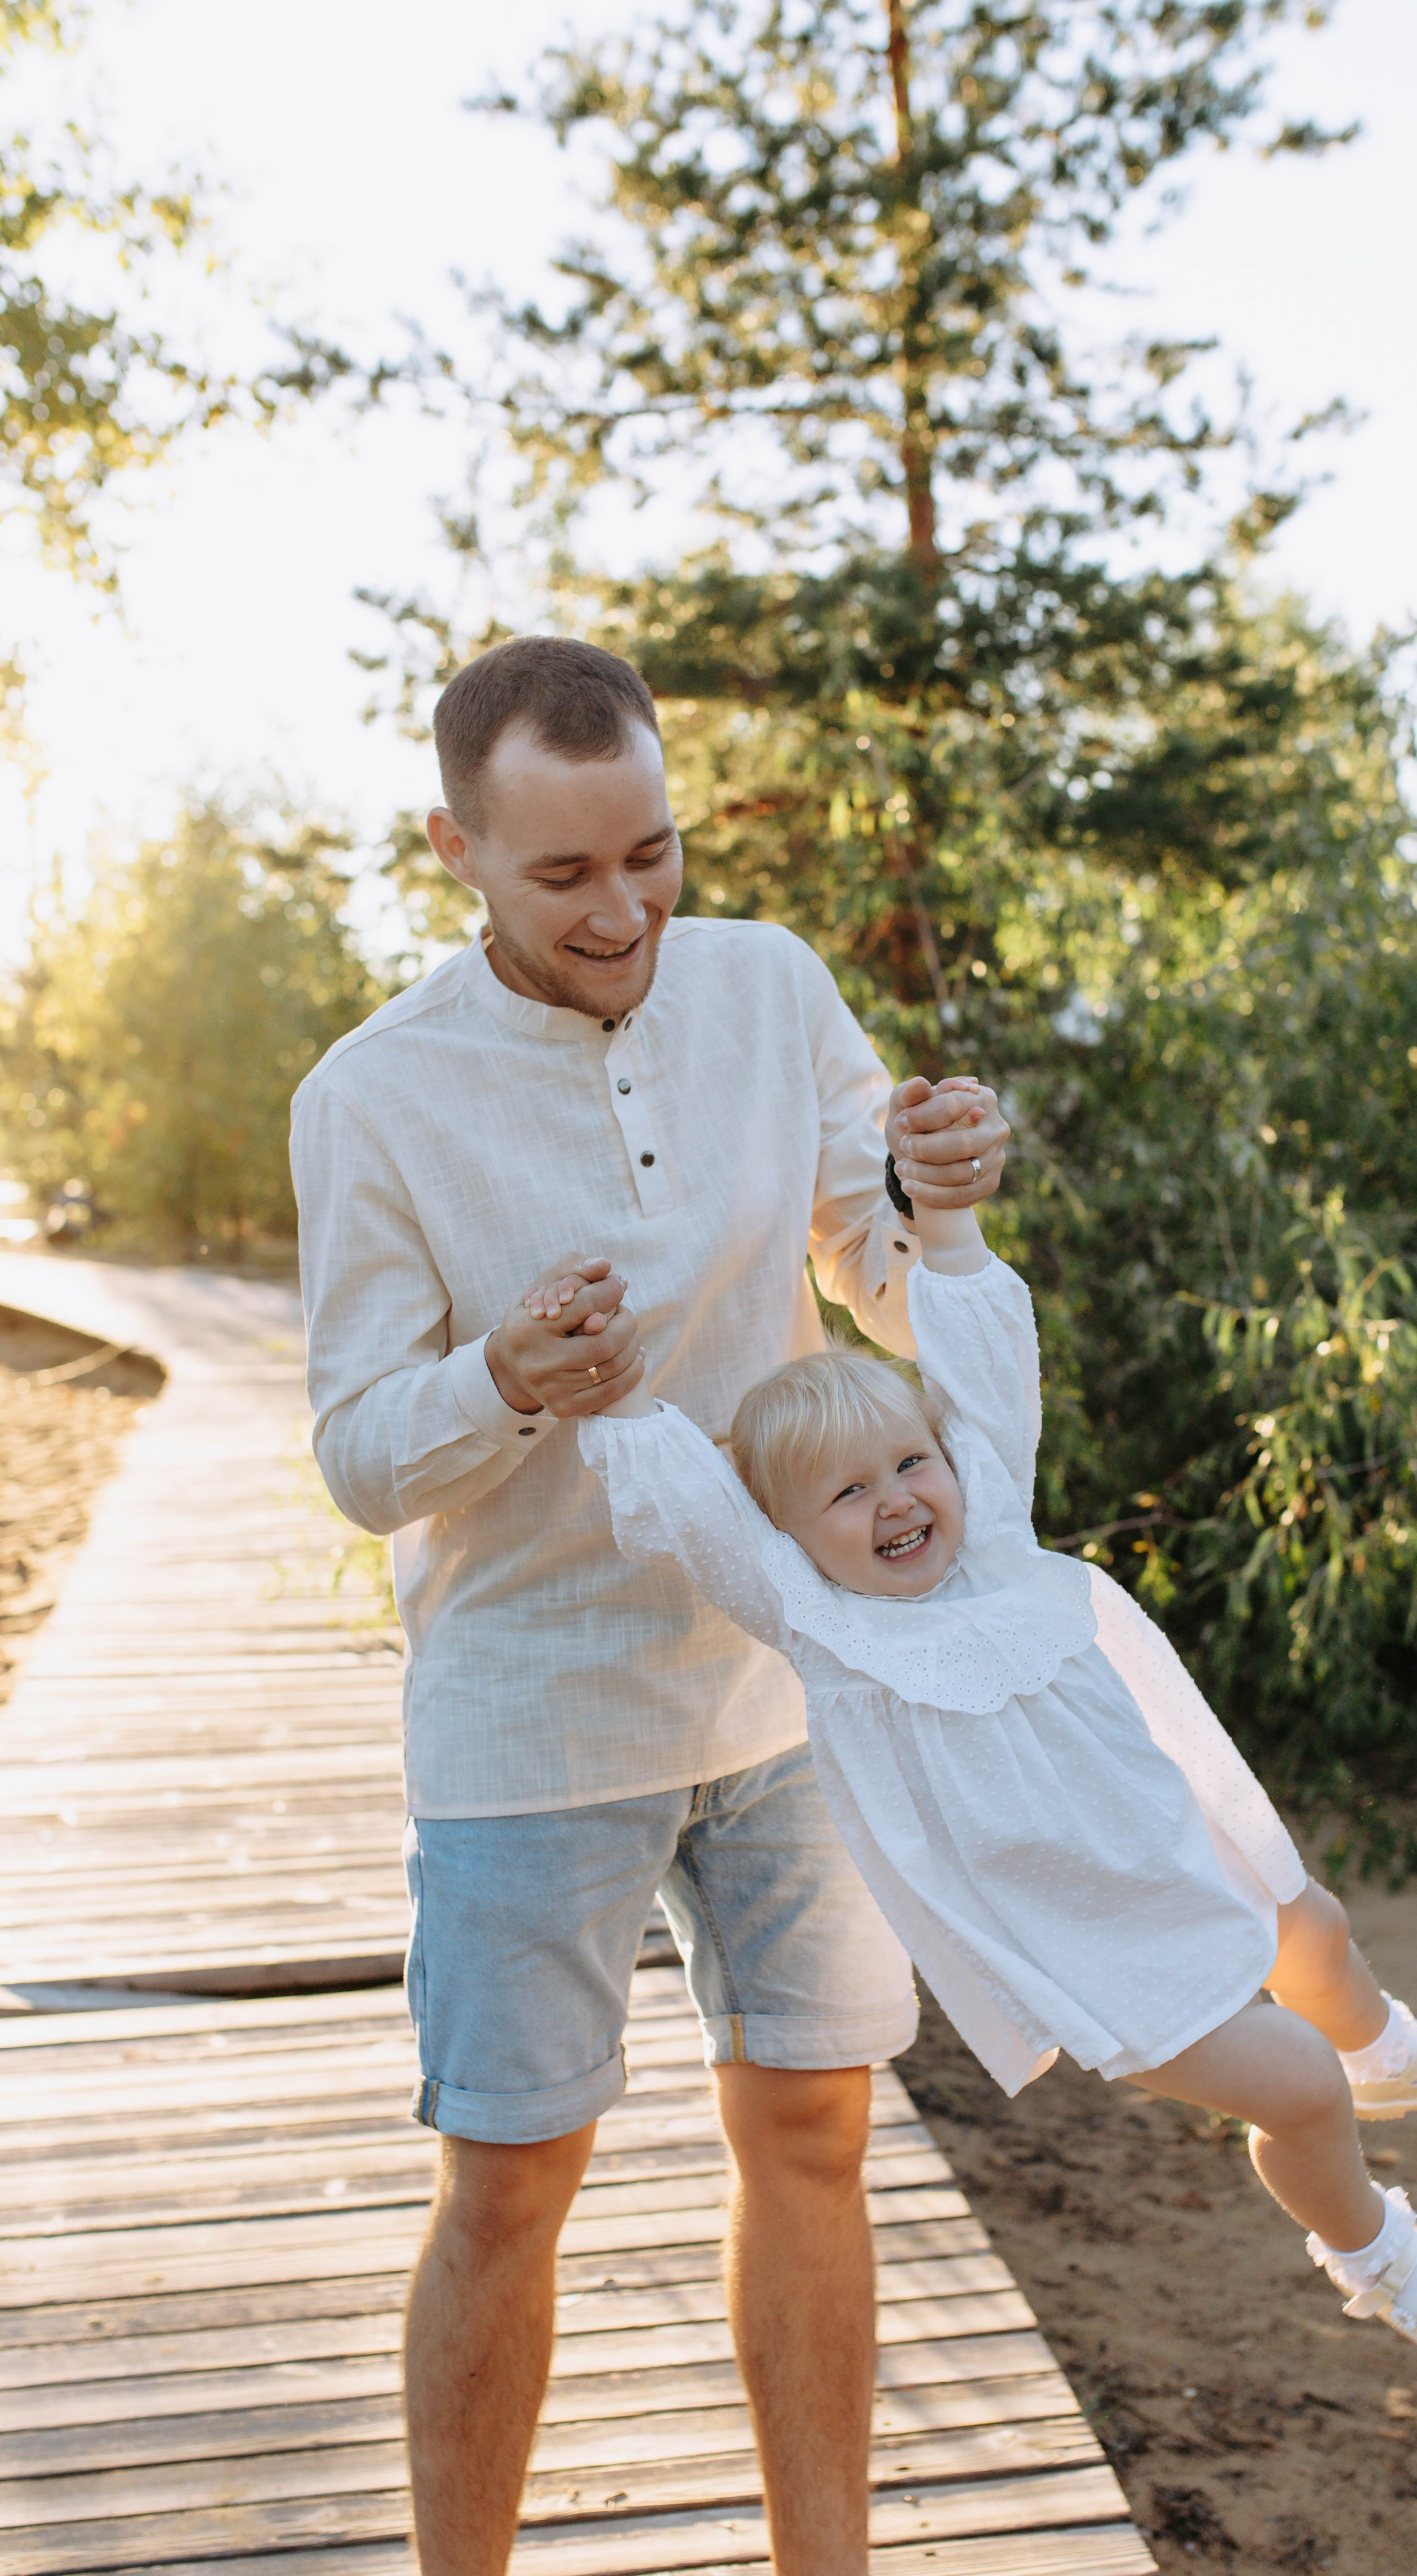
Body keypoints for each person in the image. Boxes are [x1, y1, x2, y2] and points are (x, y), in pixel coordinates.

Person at [289, 635, 1010, 2576]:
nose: (625, 913)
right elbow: (360, 1457)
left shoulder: (771, 988)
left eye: (654, 857)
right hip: (535, 1708)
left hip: (788, 1681)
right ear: (457, 845)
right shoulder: (371, 1100)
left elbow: (877, 1267)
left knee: (817, 2143)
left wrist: (937, 1198)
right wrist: (504, 1378)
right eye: (567, 875)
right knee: (514, 2187)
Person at [558, 1132, 1417, 2366]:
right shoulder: (823, 1624)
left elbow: (982, 1370)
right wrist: (617, 1398)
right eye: (848, 1496)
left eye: (911, 1464)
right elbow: (700, 1515)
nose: (899, 1501)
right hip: (1098, 1938)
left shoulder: (995, 1536)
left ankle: (1382, 2044)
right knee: (1295, 2088)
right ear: (791, 1542)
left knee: (1316, 1931)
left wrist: (949, 1231)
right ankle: (1377, 2253)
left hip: (1179, 1840)